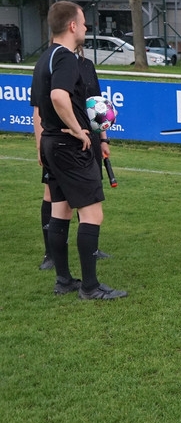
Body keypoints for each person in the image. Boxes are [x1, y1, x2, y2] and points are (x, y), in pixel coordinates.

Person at [30, 1, 125, 299]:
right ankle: (90, 287)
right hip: (69, 146)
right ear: (72, 26)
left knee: (60, 211)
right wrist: (75, 128)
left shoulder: (44, 58)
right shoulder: (66, 58)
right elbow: (58, 96)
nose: (85, 28)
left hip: (51, 143)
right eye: (83, 23)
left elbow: (45, 104)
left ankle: (64, 280)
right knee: (92, 214)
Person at [38, 46, 113, 270]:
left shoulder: (86, 65)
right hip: (64, 142)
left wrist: (104, 139)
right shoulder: (53, 62)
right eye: (82, 27)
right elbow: (40, 108)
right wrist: (39, 145)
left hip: (88, 140)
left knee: (85, 198)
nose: (85, 31)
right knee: (55, 198)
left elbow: (97, 105)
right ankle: (51, 255)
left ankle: (86, 255)